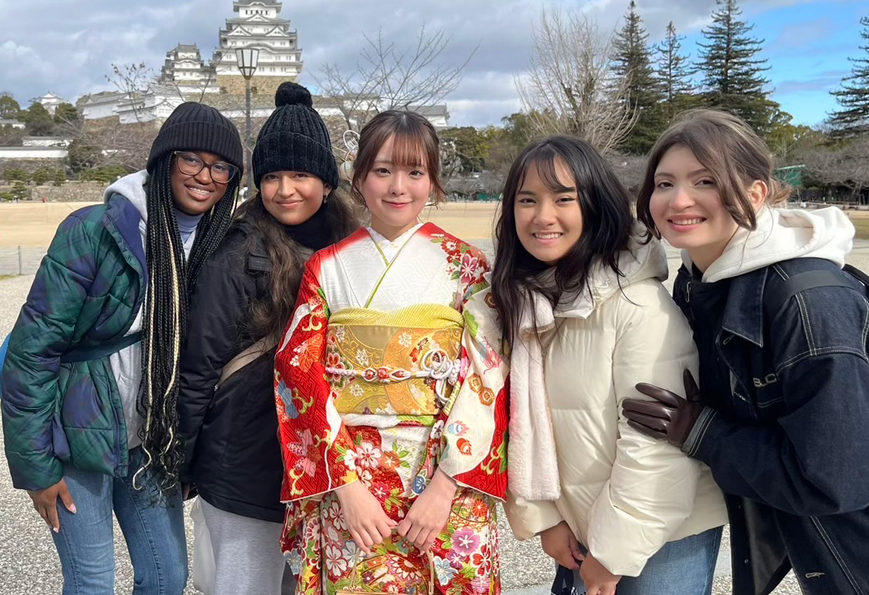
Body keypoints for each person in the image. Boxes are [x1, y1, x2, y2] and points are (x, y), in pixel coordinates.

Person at [623, 109, 869, 595]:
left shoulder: (807, 303)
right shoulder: (704, 282)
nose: (679, 200)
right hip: (848, 539)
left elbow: (839, 478)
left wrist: (704, 434)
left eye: (705, 180)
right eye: (663, 183)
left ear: (756, 193)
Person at [0, 102, 243, 595]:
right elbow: (33, 351)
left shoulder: (218, 243)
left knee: (167, 575)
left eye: (221, 166)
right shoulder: (95, 230)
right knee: (92, 582)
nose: (205, 175)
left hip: (152, 438)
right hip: (78, 433)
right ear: (164, 160)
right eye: (190, 160)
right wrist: (36, 469)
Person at [472, 136, 725, 595]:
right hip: (582, 530)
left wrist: (611, 555)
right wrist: (546, 518)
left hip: (662, 538)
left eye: (563, 199)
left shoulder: (636, 306)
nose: (542, 216)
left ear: (596, 205)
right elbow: (519, 425)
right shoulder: (530, 304)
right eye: (527, 200)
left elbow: (657, 449)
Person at [275, 109, 508, 595]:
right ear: (359, 178)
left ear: (433, 182)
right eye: (383, 170)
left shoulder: (465, 265)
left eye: (415, 172)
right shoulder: (328, 266)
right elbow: (298, 372)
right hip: (355, 483)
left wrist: (446, 484)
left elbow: (489, 374)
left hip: (446, 475)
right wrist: (346, 487)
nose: (398, 187)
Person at [178, 83, 359, 595]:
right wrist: (184, 463)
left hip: (326, 468)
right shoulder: (236, 253)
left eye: (300, 174)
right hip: (244, 468)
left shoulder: (353, 251)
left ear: (326, 181)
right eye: (273, 176)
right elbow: (200, 368)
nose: (285, 190)